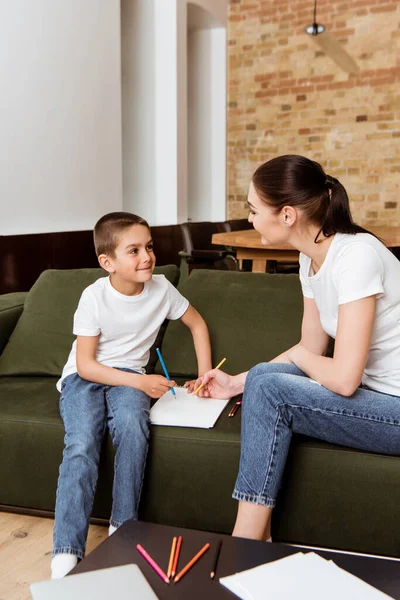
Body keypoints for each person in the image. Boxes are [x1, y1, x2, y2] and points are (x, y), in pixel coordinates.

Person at [194, 154, 400, 541]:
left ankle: (246, 543)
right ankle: (260, 541)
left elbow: (342, 380)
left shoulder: (356, 256)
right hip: (379, 392)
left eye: (254, 210)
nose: (250, 219)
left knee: (271, 388)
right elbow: (310, 345)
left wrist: (294, 364)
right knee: (265, 378)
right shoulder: (311, 259)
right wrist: (238, 382)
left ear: (287, 215)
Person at [51, 212, 212, 578]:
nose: (147, 257)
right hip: (84, 377)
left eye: (150, 247)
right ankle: (66, 550)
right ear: (107, 262)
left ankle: (123, 528)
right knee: (81, 444)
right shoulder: (93, 296)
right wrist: (143, 383)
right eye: (134, 250)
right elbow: (88, 366)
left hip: (129, 376)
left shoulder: (161, 289)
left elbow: (197, 323)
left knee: (134, 429)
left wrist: (205, 375)